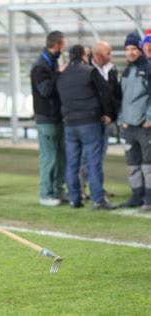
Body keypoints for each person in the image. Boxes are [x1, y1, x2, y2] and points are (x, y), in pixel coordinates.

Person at [56, 44, 116, 210]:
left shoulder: (62, 74)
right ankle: (98, 200)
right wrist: (108, 113)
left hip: (69, 123)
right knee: (93, 162)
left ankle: (75, 199)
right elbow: (105, 93)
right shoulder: (90, 71)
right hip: (90, 122)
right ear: (84, 55)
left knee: (72, 163)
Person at [30, 31, 67, 207]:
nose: (63, 50)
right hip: (46, 118)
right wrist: (59, 74)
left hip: (57, 117)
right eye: (62, 46)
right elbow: (46, 90)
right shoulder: (40, 66)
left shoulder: (50, 63)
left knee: (60, 157)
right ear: (57, 45)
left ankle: (58, 190)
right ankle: (45, 194)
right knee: (49, 157)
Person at [80, 41, 121, 199]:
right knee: (86, 157)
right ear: (97, 55)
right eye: (108, 53)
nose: (111, 56)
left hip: (106, 120)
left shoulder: (112, 69)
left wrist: (112, 114)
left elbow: (114, 94)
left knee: (99, 156)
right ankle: (81, 188)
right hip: (91, 121)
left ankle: (97, 188)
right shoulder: (87, 71)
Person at [118, 32, 151, 211]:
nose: (130, 52)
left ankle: (149, 198)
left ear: (140, 49)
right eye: (127, 49)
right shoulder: (127, 71)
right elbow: (121, 98)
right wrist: (121, 119)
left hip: (145, 127)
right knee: (132, 164)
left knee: (148, 165)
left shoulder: (148, 69)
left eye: (133, 49)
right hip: (128, 126)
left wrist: (149, 118)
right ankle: (136, 196)